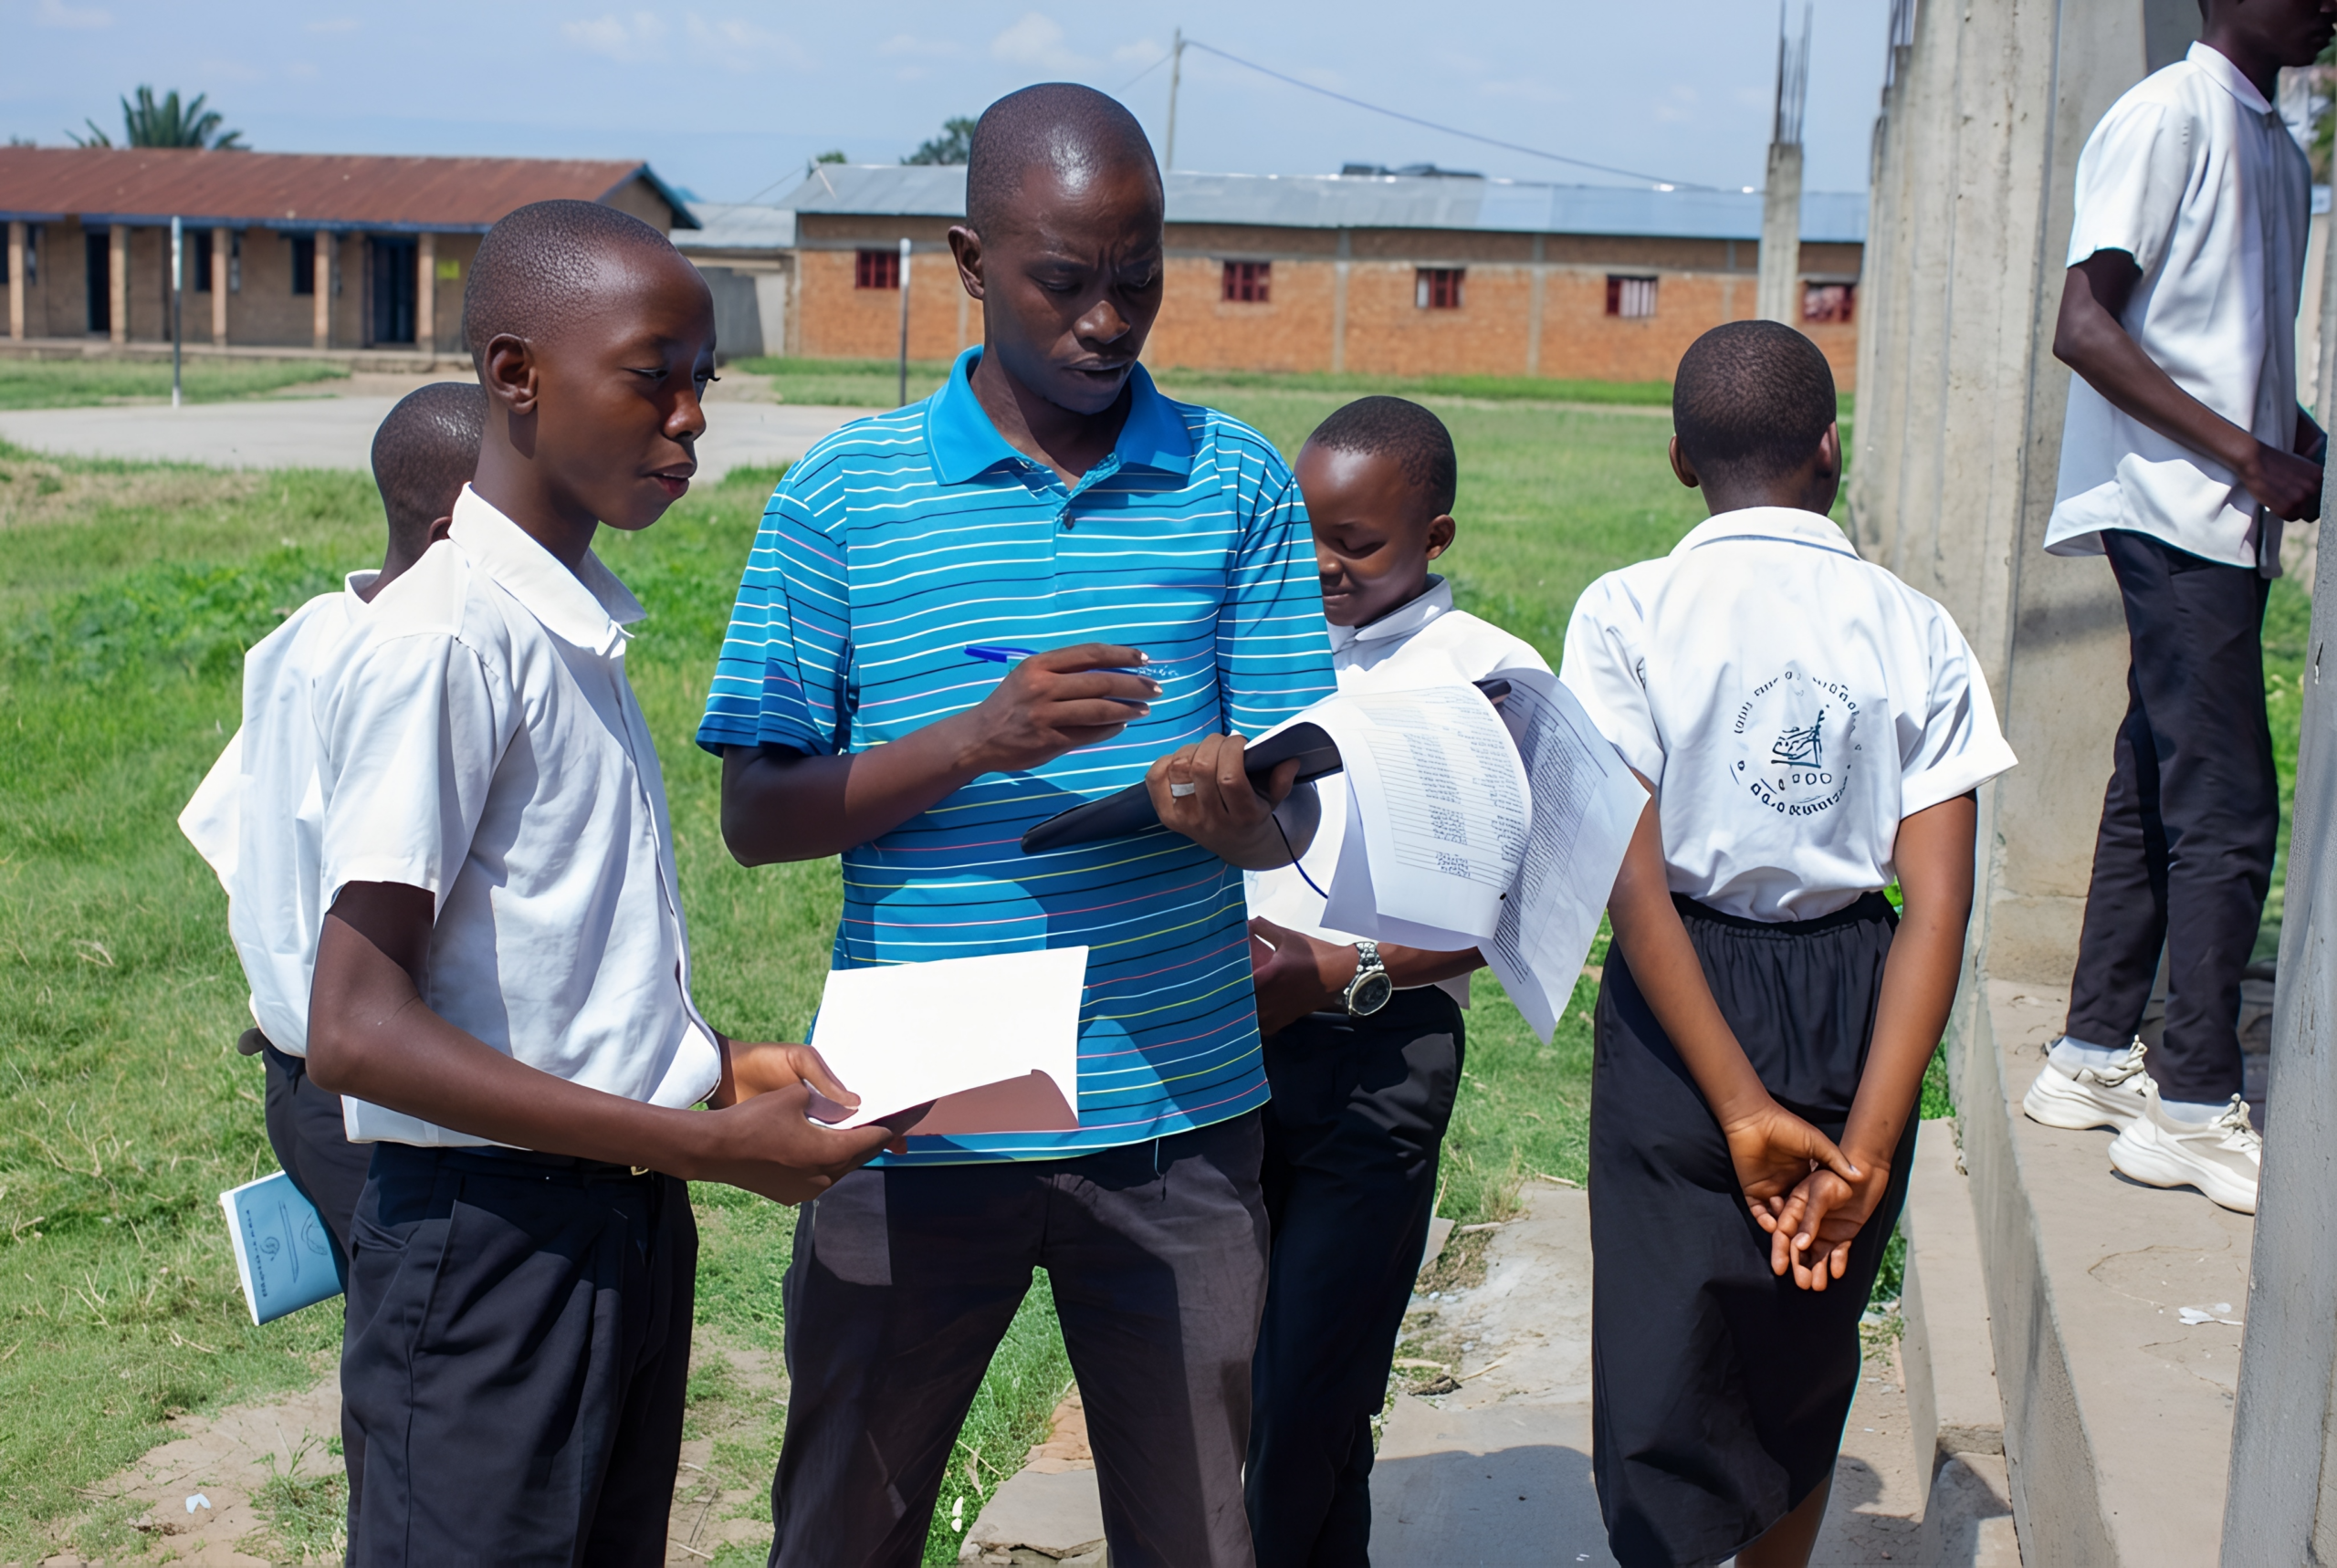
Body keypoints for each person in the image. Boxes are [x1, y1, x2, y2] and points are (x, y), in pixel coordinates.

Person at [699, 84, 1336, 1567]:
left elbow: (1293, 804)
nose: (1110, 320)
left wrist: (1223, 809)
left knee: (1194, 1526)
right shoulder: (843, 498)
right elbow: (757, 816)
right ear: (969, 259)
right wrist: (977, 739)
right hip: (929, 1087)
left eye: (1141, 276)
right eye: (1065, 279)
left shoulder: (1233, 479)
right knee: (850, 1514)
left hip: (1174, 1094)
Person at [302, 200, 909, 1568]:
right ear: (516, 376)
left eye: (707, 380)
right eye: (655, 376)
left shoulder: (565, 630)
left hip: (617, 1217)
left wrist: (713, 1071)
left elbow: (543, 967)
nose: (692, 417)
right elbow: (356, 1025)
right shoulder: (448, 642)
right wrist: (697, 1142)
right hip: (488, 1249)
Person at [1561, 320, 2017, 1567]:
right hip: (1857, 992)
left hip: (1679, 996)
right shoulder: (1915, 625)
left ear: (1676, 458)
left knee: (1660, 1350)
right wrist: (1868, 1144)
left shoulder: (1627, 612)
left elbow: (1631, 880)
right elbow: (1938, 901)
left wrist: (1735, 1102)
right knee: (1805, 1344)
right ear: (1830, 449)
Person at [2022, 0, 2334, 1214]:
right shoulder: (2166, 116)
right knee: (2230, 806)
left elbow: (2217, 333)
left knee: (2157, 779)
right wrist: (2248, 457)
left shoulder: (2277, 140)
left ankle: (2092, 1056)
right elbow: (2083, 322)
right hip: (2170, 505)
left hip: (2220, 506)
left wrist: (2283, 430)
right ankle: (2194, 1107)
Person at [1240, 395, 1548, 1564]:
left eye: (1356, 543)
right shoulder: (1262, 646)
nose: (1322, 563)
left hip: (1380, 1057)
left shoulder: (1489, 679)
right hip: (1233, 1040)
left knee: (1318, 1373)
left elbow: (1525, 910)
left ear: (1437, 534)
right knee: (1238, 1370)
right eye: (1303, 532)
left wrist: (1347, 967)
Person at [177, 380, 481, 1511]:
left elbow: (228, 825)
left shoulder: (308, 628)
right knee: (427, 1379)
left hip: (304, 1073)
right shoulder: (409, 665)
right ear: (469, 515)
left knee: (396, 1352)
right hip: (380, 1092)